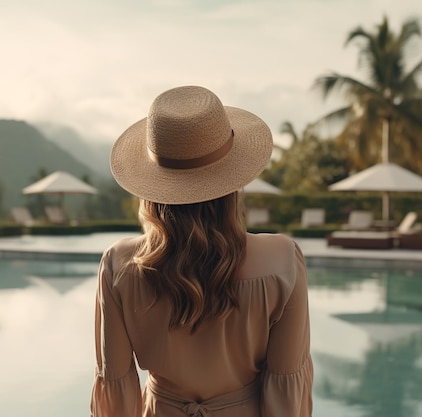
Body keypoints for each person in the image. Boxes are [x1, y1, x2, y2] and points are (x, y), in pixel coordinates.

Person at [90, 86, 313, 417]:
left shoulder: (119, 266)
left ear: (152, 190)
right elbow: (285, 386)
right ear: (232, 183)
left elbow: (116, 386)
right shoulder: (281, 261)